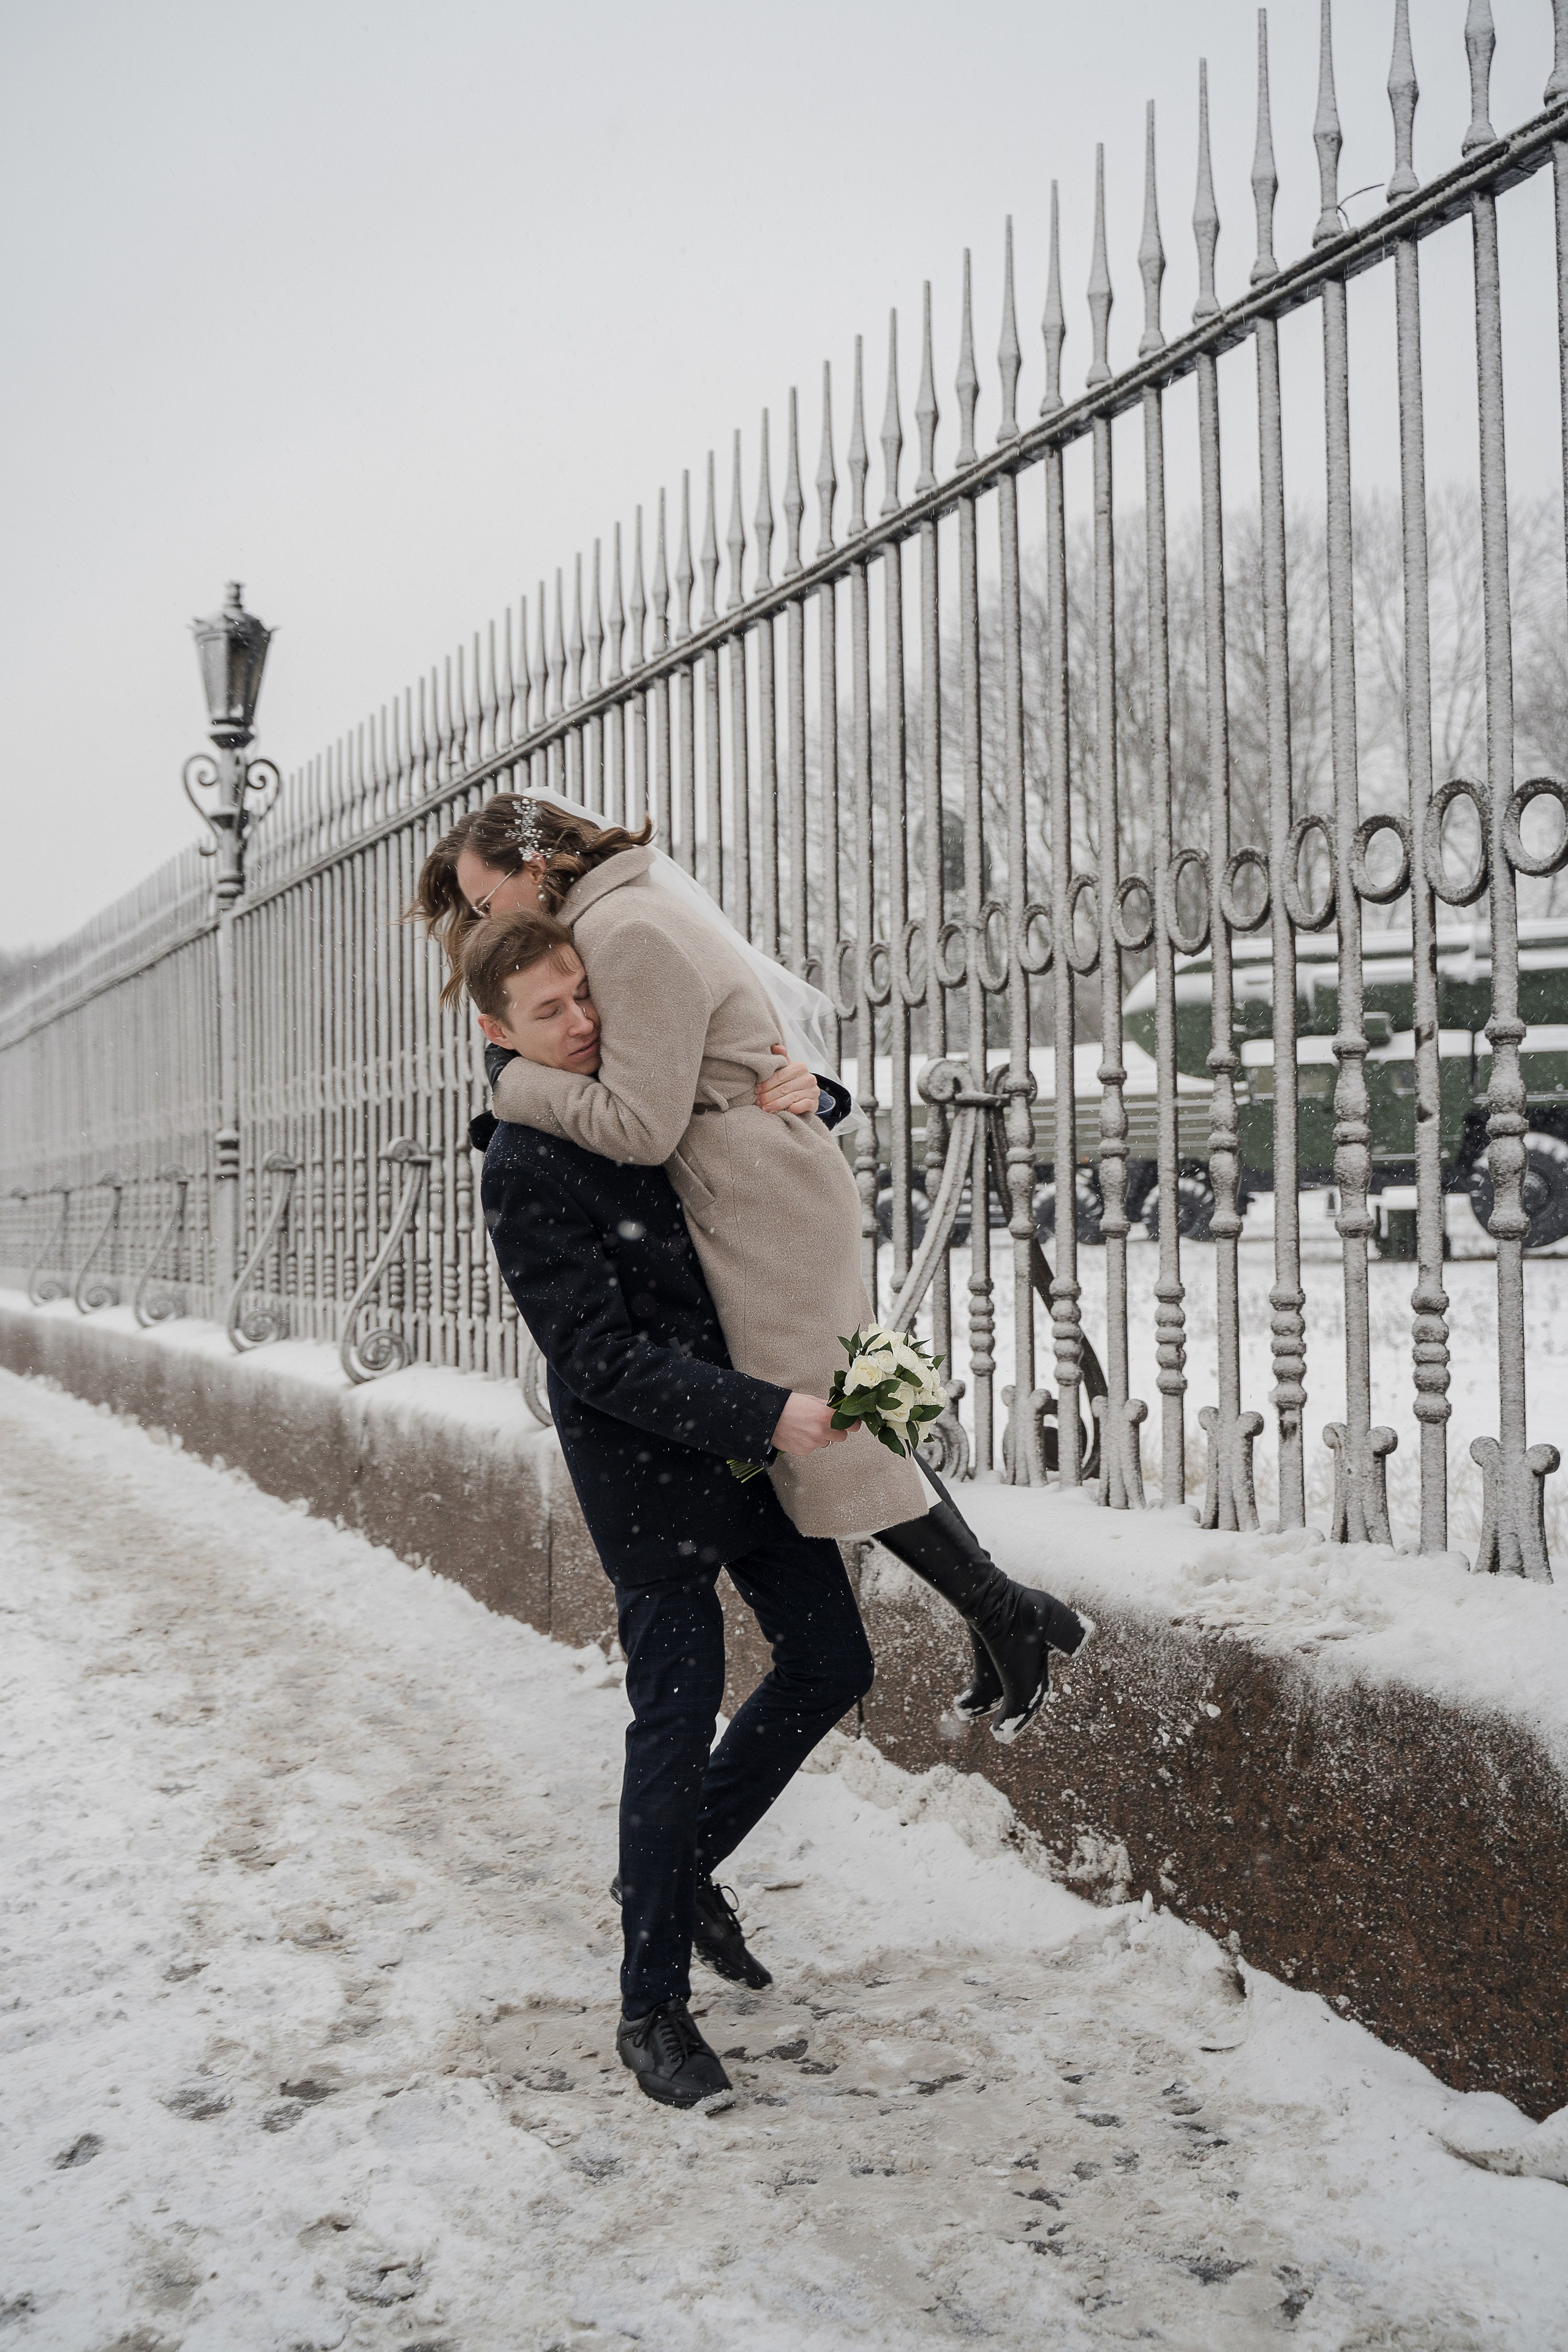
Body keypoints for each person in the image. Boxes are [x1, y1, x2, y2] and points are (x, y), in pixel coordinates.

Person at [413, 791, 1092, 1740]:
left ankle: (1010, 1613)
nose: (488, 922)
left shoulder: (621, 928)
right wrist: (811, 1087)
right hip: (754, 1191)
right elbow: (732, 1042)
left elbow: (644, 1125)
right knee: (848, 1407)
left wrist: (513, 1085)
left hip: (758, 1205)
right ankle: (999, 1616)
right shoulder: (607, 917)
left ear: (536, 865)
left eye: (488, 901)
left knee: (834, 1421)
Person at [466, 908, 872, 2109]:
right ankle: (650, 2009)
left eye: (581, 994)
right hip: (650, 1470)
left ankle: (680, 1871)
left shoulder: (635, 1088)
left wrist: (820, 1093)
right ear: (497, 1033)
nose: (582, 1021)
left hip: (742, 1441)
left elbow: (747, 1101)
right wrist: (764, 1415)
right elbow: (591, 1355)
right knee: (676, 1708)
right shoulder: (523, 1160)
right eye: (549, 1012)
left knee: (827, 1658)